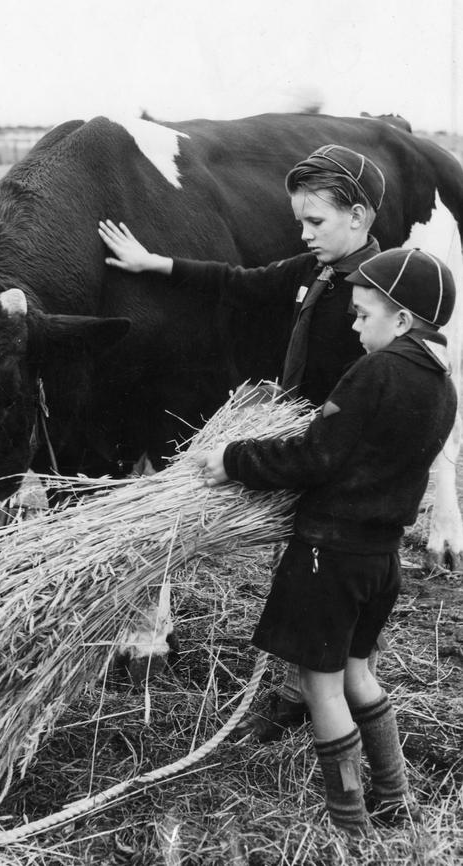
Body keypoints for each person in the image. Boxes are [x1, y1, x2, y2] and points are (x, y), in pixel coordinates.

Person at [98, 144, 387, 741]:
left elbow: (392, 385)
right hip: (311, 441)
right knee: (309, 568)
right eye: (299, 222)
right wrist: (156, 264)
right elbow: (242, 282)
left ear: (358, 217)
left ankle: (323, 706)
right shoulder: (316, 271)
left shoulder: (381, 296)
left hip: (344, 455)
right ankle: (303, 685)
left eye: (316, 222)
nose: (304, 234)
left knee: (335, 573)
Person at [194, 247, 457, 833]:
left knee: (323, 687)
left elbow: (315, 454)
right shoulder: (444, 386)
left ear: (404, 320)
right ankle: (395, 798)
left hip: (327, 557)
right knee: (358, 671)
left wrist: (232, 459)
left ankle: (350, 823)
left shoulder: (377, 372)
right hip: (379, 560)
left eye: (364, 316)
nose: (356, 326)